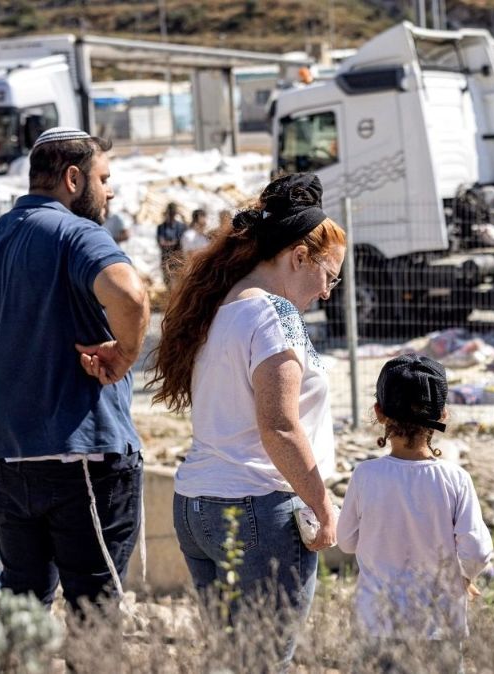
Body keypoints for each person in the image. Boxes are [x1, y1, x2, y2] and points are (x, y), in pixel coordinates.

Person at [0, 127, 150, 611]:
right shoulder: (77, 235)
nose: (111, 190)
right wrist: (125, 353)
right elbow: (131, 294)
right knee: (94, 619)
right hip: (84, 462)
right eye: (105, 177)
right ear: (73, 179)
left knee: (22, 616)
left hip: (6, 465)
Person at [148, 173, 344, 641]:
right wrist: (322, 504)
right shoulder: (277, 315)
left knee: (228, 658)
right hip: (257, 508)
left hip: (197, 506)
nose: (327, 293)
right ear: (300, 257)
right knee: (264, 660)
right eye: (328, 276)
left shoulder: (221, 306)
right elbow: (279, 426)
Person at [337, 355, 493, 669]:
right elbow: (477, 550)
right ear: (444, 414)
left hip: (377, 624)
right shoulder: (455, 479)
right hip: (440, 625)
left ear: (379, 413)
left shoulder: (365, 475)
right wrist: (464, 576)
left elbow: (346, 542)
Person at [157, 202, 187, 289]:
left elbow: (183, 241)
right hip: (166, 259)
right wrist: (173, 243)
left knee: (179, 285)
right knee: (169, 285)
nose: (171, 215)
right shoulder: (161, 227)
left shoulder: (181, 226)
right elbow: (161, 243)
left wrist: (170, 244)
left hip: (177, 259)